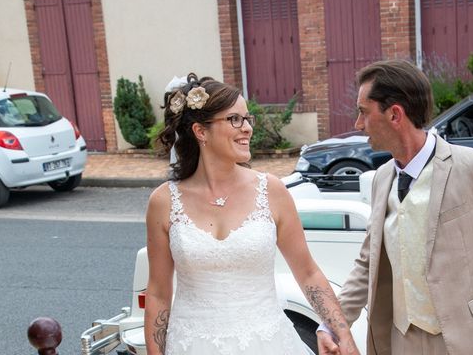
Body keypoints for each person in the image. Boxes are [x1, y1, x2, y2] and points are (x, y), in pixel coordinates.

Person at [317, 60, 473, 355]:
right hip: (400, 340)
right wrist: (331, 324)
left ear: (395, 114)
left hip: (467, 341)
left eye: (363, 112)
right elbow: (368, 264)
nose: (358, 124)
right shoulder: (382, 179)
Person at [144, 73, 360, 355]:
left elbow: (308, 273)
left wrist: (343, 334)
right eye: (235, 119)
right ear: (200, 131)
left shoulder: (271, 191)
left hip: (268, 344)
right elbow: (159, 294)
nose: (247, 128)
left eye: (248, 119)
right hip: (191, 345)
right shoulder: (163, 202)